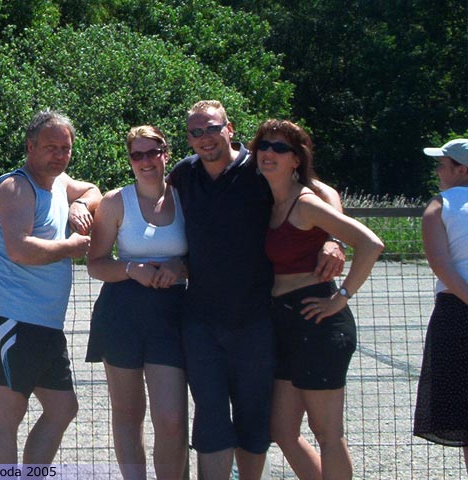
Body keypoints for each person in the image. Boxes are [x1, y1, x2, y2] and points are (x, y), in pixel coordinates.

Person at [166, 100, 346, 480]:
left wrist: (334, 237)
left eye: (212, 128)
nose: (205, 138)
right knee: (211, 418)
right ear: (189, 138)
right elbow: (148, 198)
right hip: (200, 322)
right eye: (196, 132)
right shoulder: (184, 174)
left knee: (253, 419)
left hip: (257, 321)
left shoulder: (259, 168)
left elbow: (320, 190)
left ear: (229, 129)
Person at [251, 119, 384, 479]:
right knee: (282, 429)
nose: (269, 153)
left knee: (326, 432)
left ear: (296, 159)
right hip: (284, 321)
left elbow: (370, 244)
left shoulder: (306, 203)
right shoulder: (270, 200)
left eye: (280, 148)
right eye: (264, 145)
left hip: (319, 320)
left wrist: (341, 297)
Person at [0, 110, 102, 465]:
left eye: (66, 148)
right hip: (12, 317)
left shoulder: (59, 183)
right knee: (9, 415)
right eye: (51, 147)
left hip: (46, 323)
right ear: (30, 147)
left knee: (63, 407)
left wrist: (80, 204)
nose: (59, 155)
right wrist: (71, 247)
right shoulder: (16, 187)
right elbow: (20, 249)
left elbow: (93, 190)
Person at [86, 126, 188, 479]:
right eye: (137, 155)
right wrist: (131, 270)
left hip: (172, 313)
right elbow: (96, 263)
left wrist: (180, 266)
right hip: (122, 312)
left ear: (166, 153)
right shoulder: (116, 202)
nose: (146, 161)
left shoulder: (186, 198)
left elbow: (206, 256)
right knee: (128, 414)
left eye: (152, 152)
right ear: (129, 160)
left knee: (171, 418)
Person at [414, 138, 468, 474]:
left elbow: (441, 265)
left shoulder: (439, 206)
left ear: (462, 170)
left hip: (456, 313)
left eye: (442, 164)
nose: (437, 171)